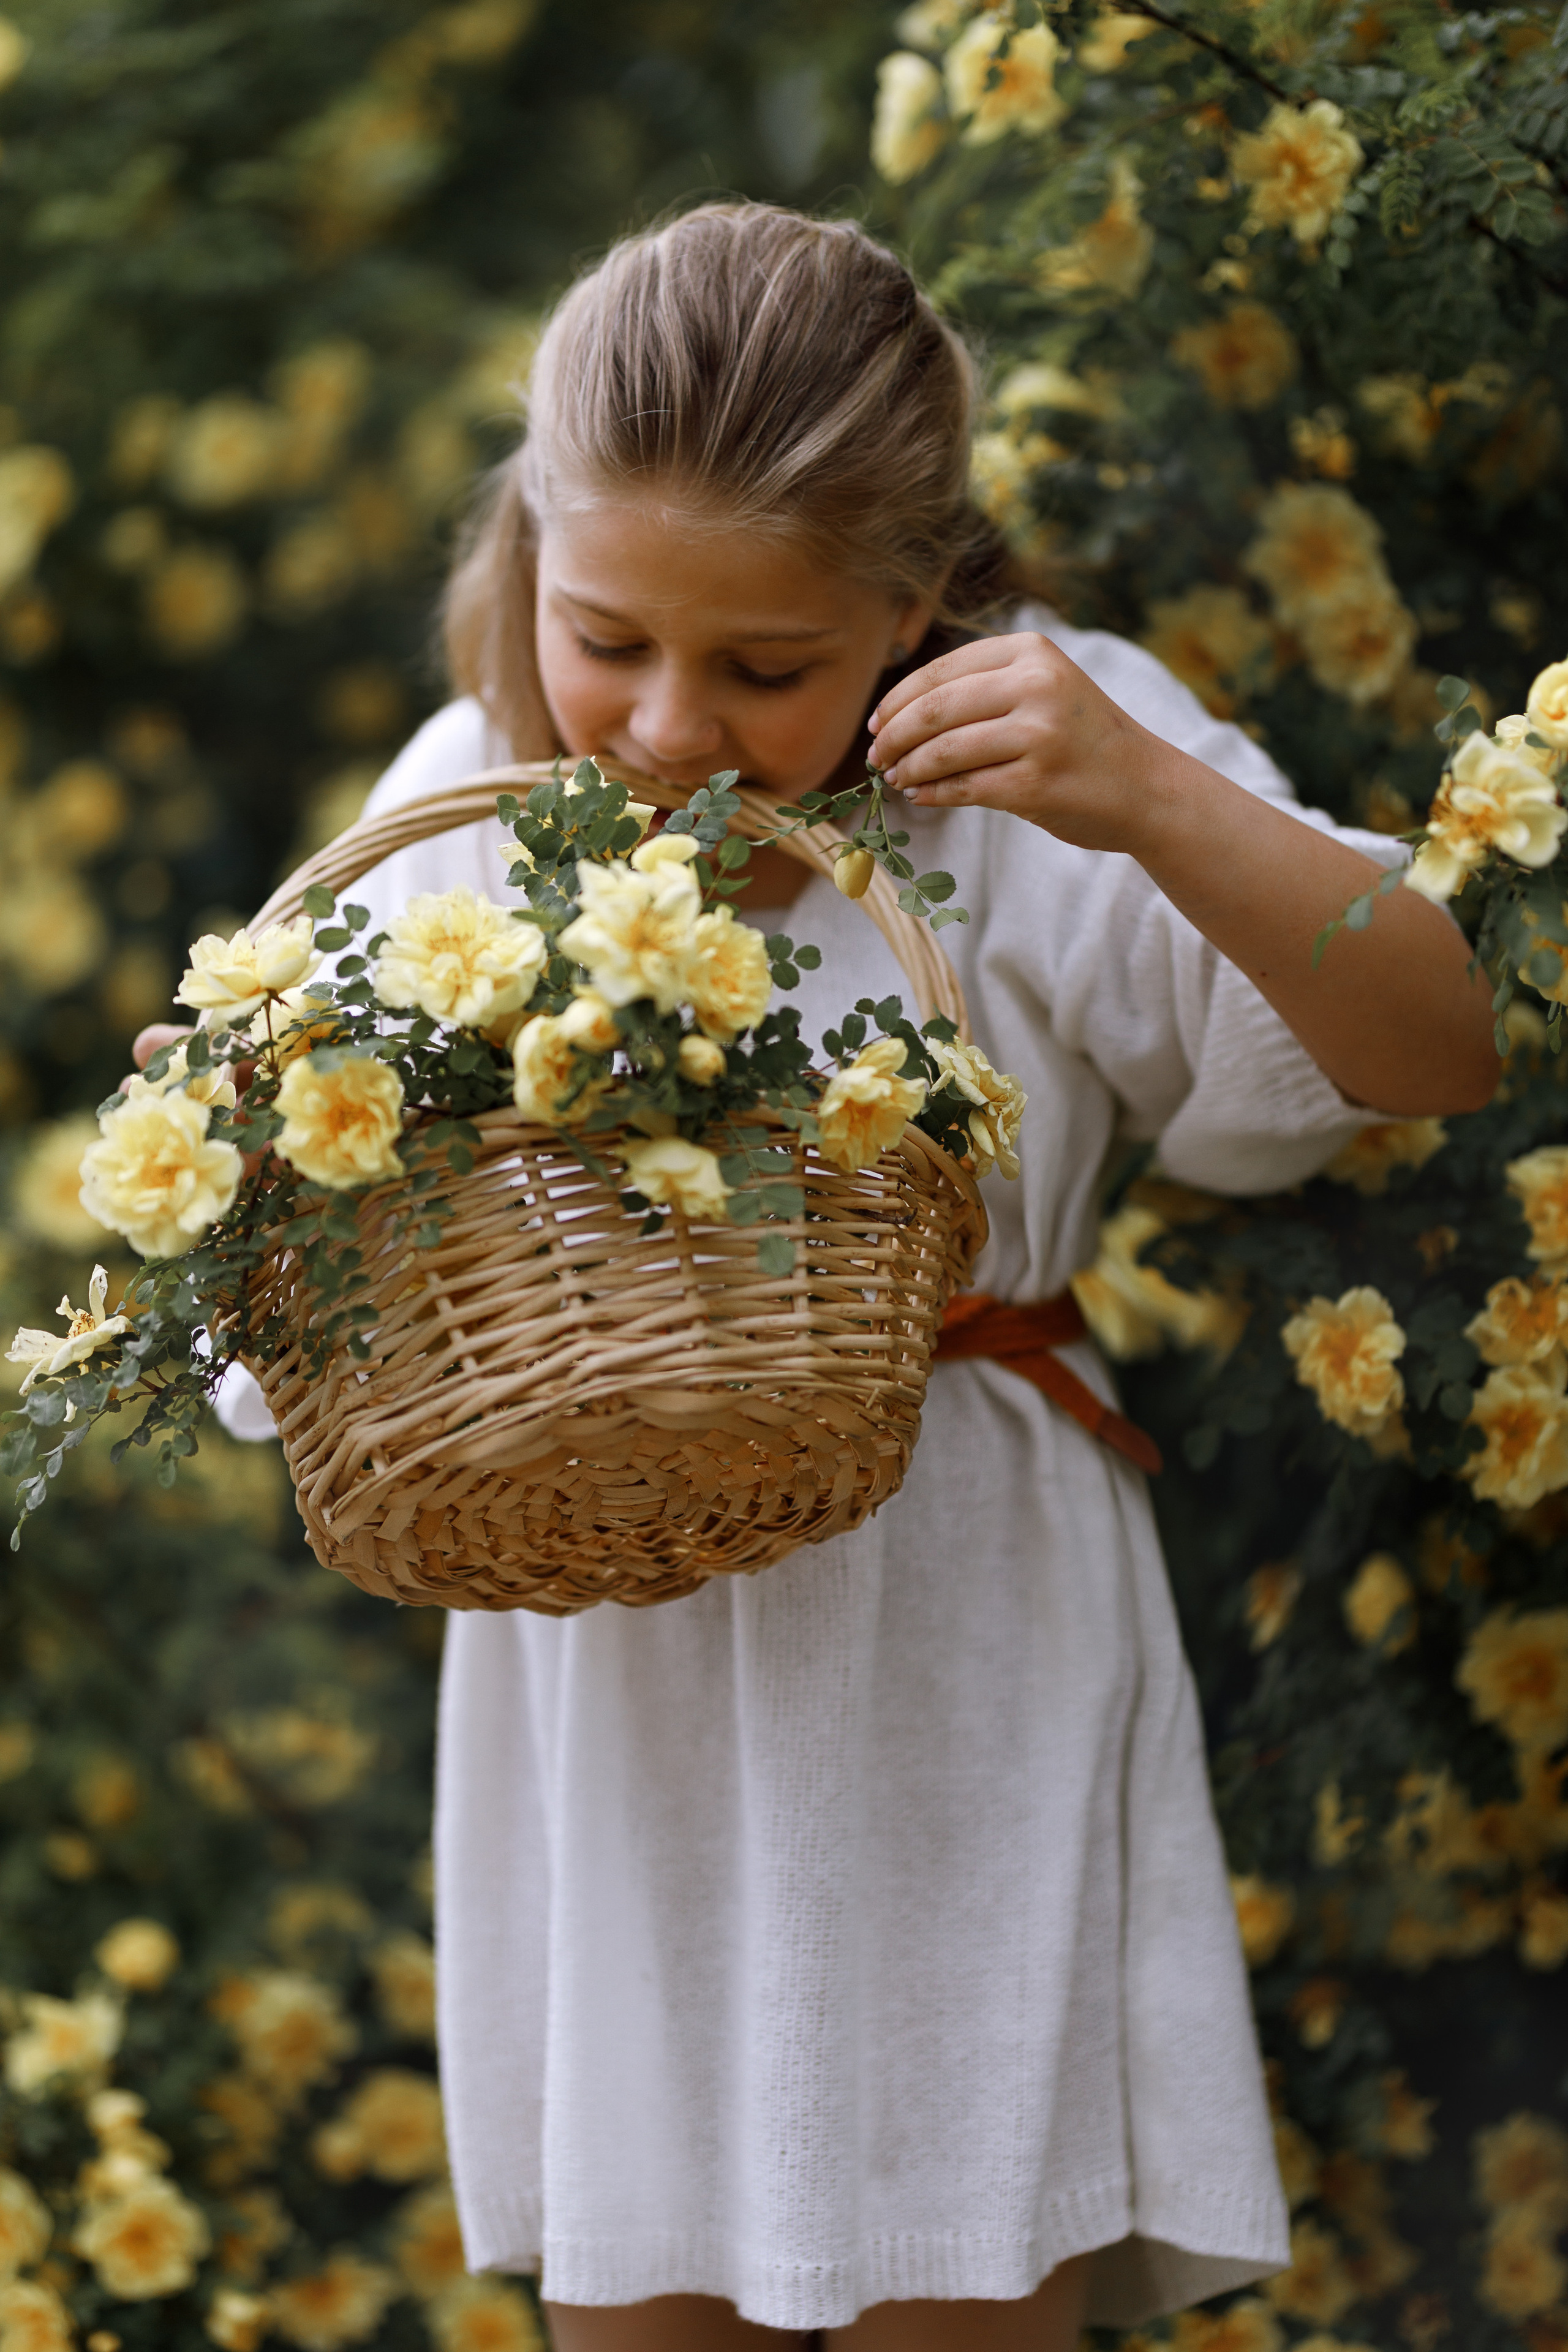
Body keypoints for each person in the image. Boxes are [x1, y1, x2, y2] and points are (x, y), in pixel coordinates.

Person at [143, 204, 1494, 2351]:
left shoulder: (1043, 766)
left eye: (768, 667)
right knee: (651, 2293)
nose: (670, 725)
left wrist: (1148, 794)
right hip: (617, 1670)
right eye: (611, 635)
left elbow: (1438, 1041)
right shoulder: (466, 814)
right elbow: (271, 1351)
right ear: (534, 551)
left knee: (962, 2272)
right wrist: (236, 1153)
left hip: (954, 1642)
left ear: (918, 602)